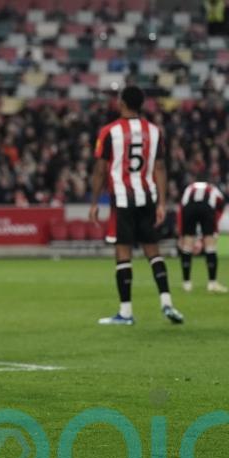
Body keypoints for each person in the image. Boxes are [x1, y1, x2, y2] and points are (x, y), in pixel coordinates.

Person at [89, 85, 184, 325]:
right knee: (153, 250)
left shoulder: (109, 132)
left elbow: (101, 170)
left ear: (121, 103)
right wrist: (162, 202)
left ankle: (126, 312)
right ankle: (167, 302)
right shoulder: (154, 131)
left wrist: (94, 202)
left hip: (122, 198)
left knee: (123, 252)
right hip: (147, 197)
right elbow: (160, 168)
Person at [178, 179, 226, 293]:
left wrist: (181, 234)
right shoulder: (213, 189)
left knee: (187, 245)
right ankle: (212, 283)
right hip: (207, 207)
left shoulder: (189, 188)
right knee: (210, 245)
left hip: (189, 208)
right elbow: (219, 208)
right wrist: (215, 231)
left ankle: (186, 283)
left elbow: (181, 209)